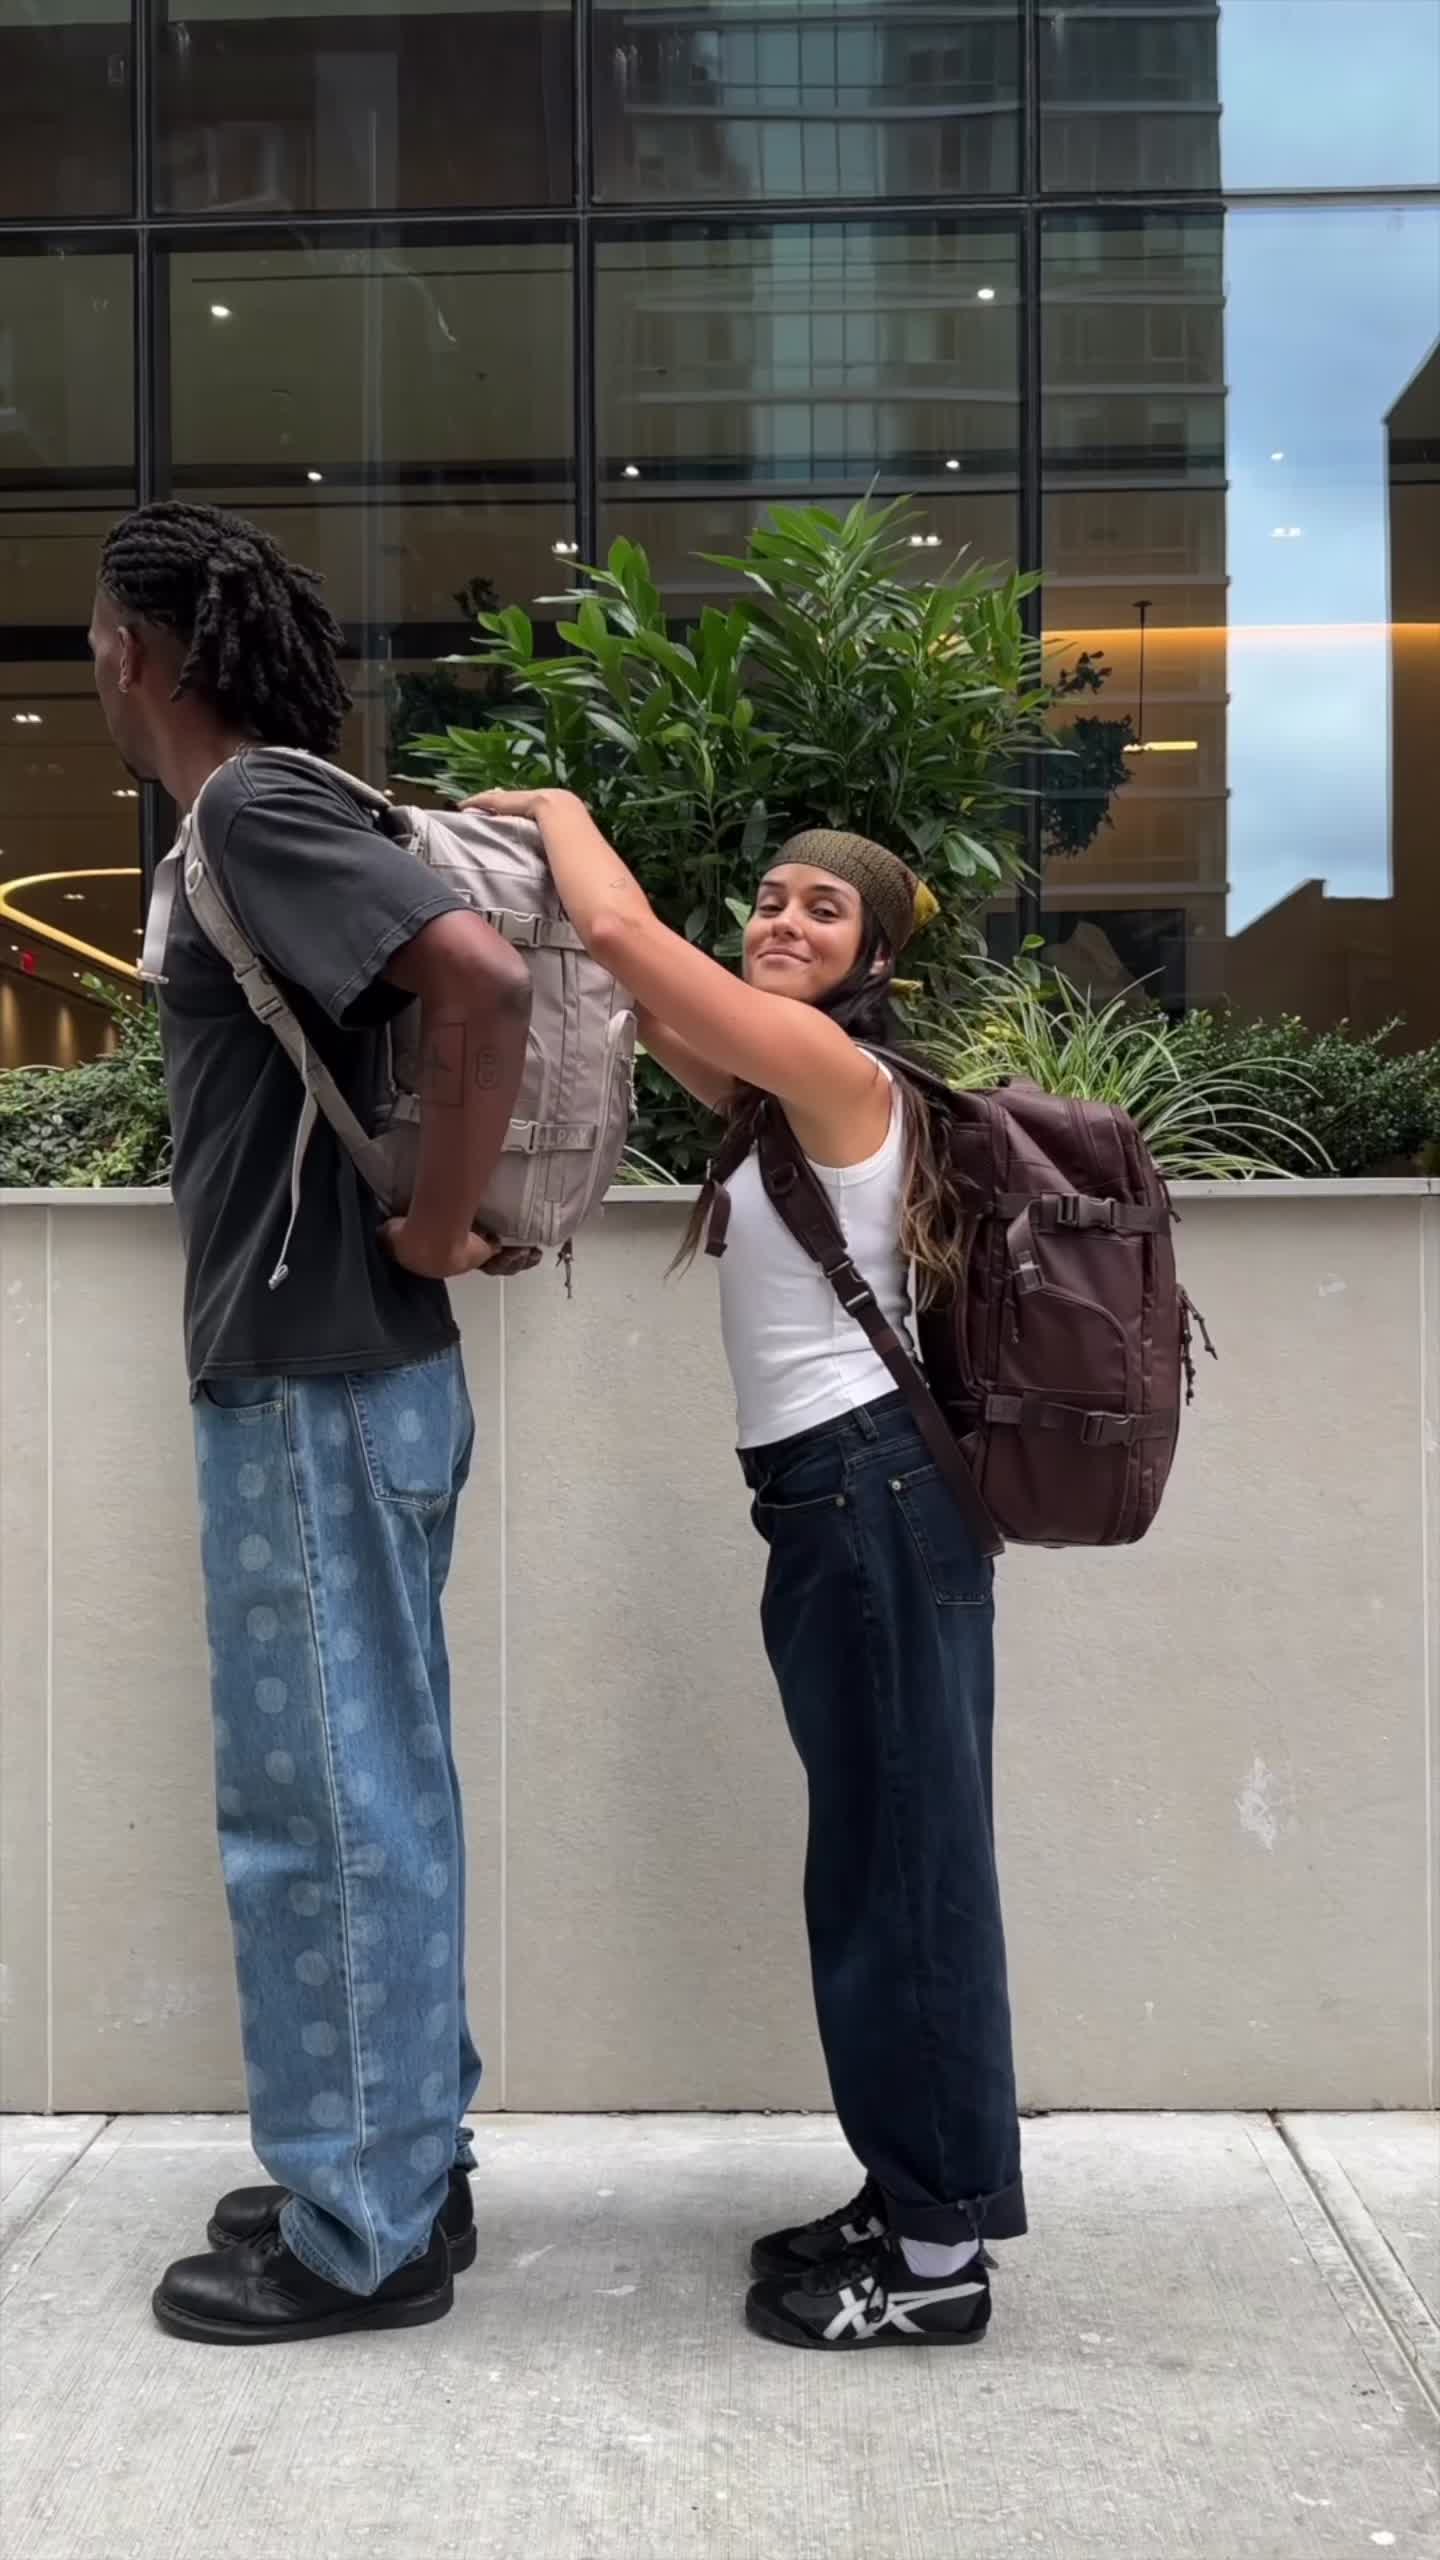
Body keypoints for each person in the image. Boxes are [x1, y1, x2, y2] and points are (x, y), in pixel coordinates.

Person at [472, 786, 1025, 2352]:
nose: (782, 919)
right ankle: (910, 2192)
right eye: (772, 899)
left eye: (821, 909)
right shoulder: (780, 1084)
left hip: (870, 1498)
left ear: (877, 957)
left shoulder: (834, 1072)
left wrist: (560, 808)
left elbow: (622, 931)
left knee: (901, 1873)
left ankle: (937, 2261)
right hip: (839, 1504)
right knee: (879, 1863)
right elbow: (642, 994)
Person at [89, 501, 533, 2345]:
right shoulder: (280, 811)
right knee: (376, 1789)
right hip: (348, 1376)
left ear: (144, 651)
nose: (94, 661)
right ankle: (401, 2162)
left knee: (324, 1806)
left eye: (99, 634)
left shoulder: (254, 809)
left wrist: (433, 1225)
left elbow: (483, 979)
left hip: (314, 1374)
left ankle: (362, 2228)